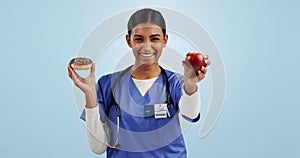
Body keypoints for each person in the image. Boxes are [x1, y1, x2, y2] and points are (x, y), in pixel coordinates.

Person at [68, 8, 210, 158]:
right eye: (139, 39)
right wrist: (90, 94)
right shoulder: (108, 85)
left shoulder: (175, 83)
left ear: (165, 40)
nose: (147, 46)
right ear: (129, 40)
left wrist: (190, 86)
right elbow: (98, 147)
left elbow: (191, 114)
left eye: (154, 38)